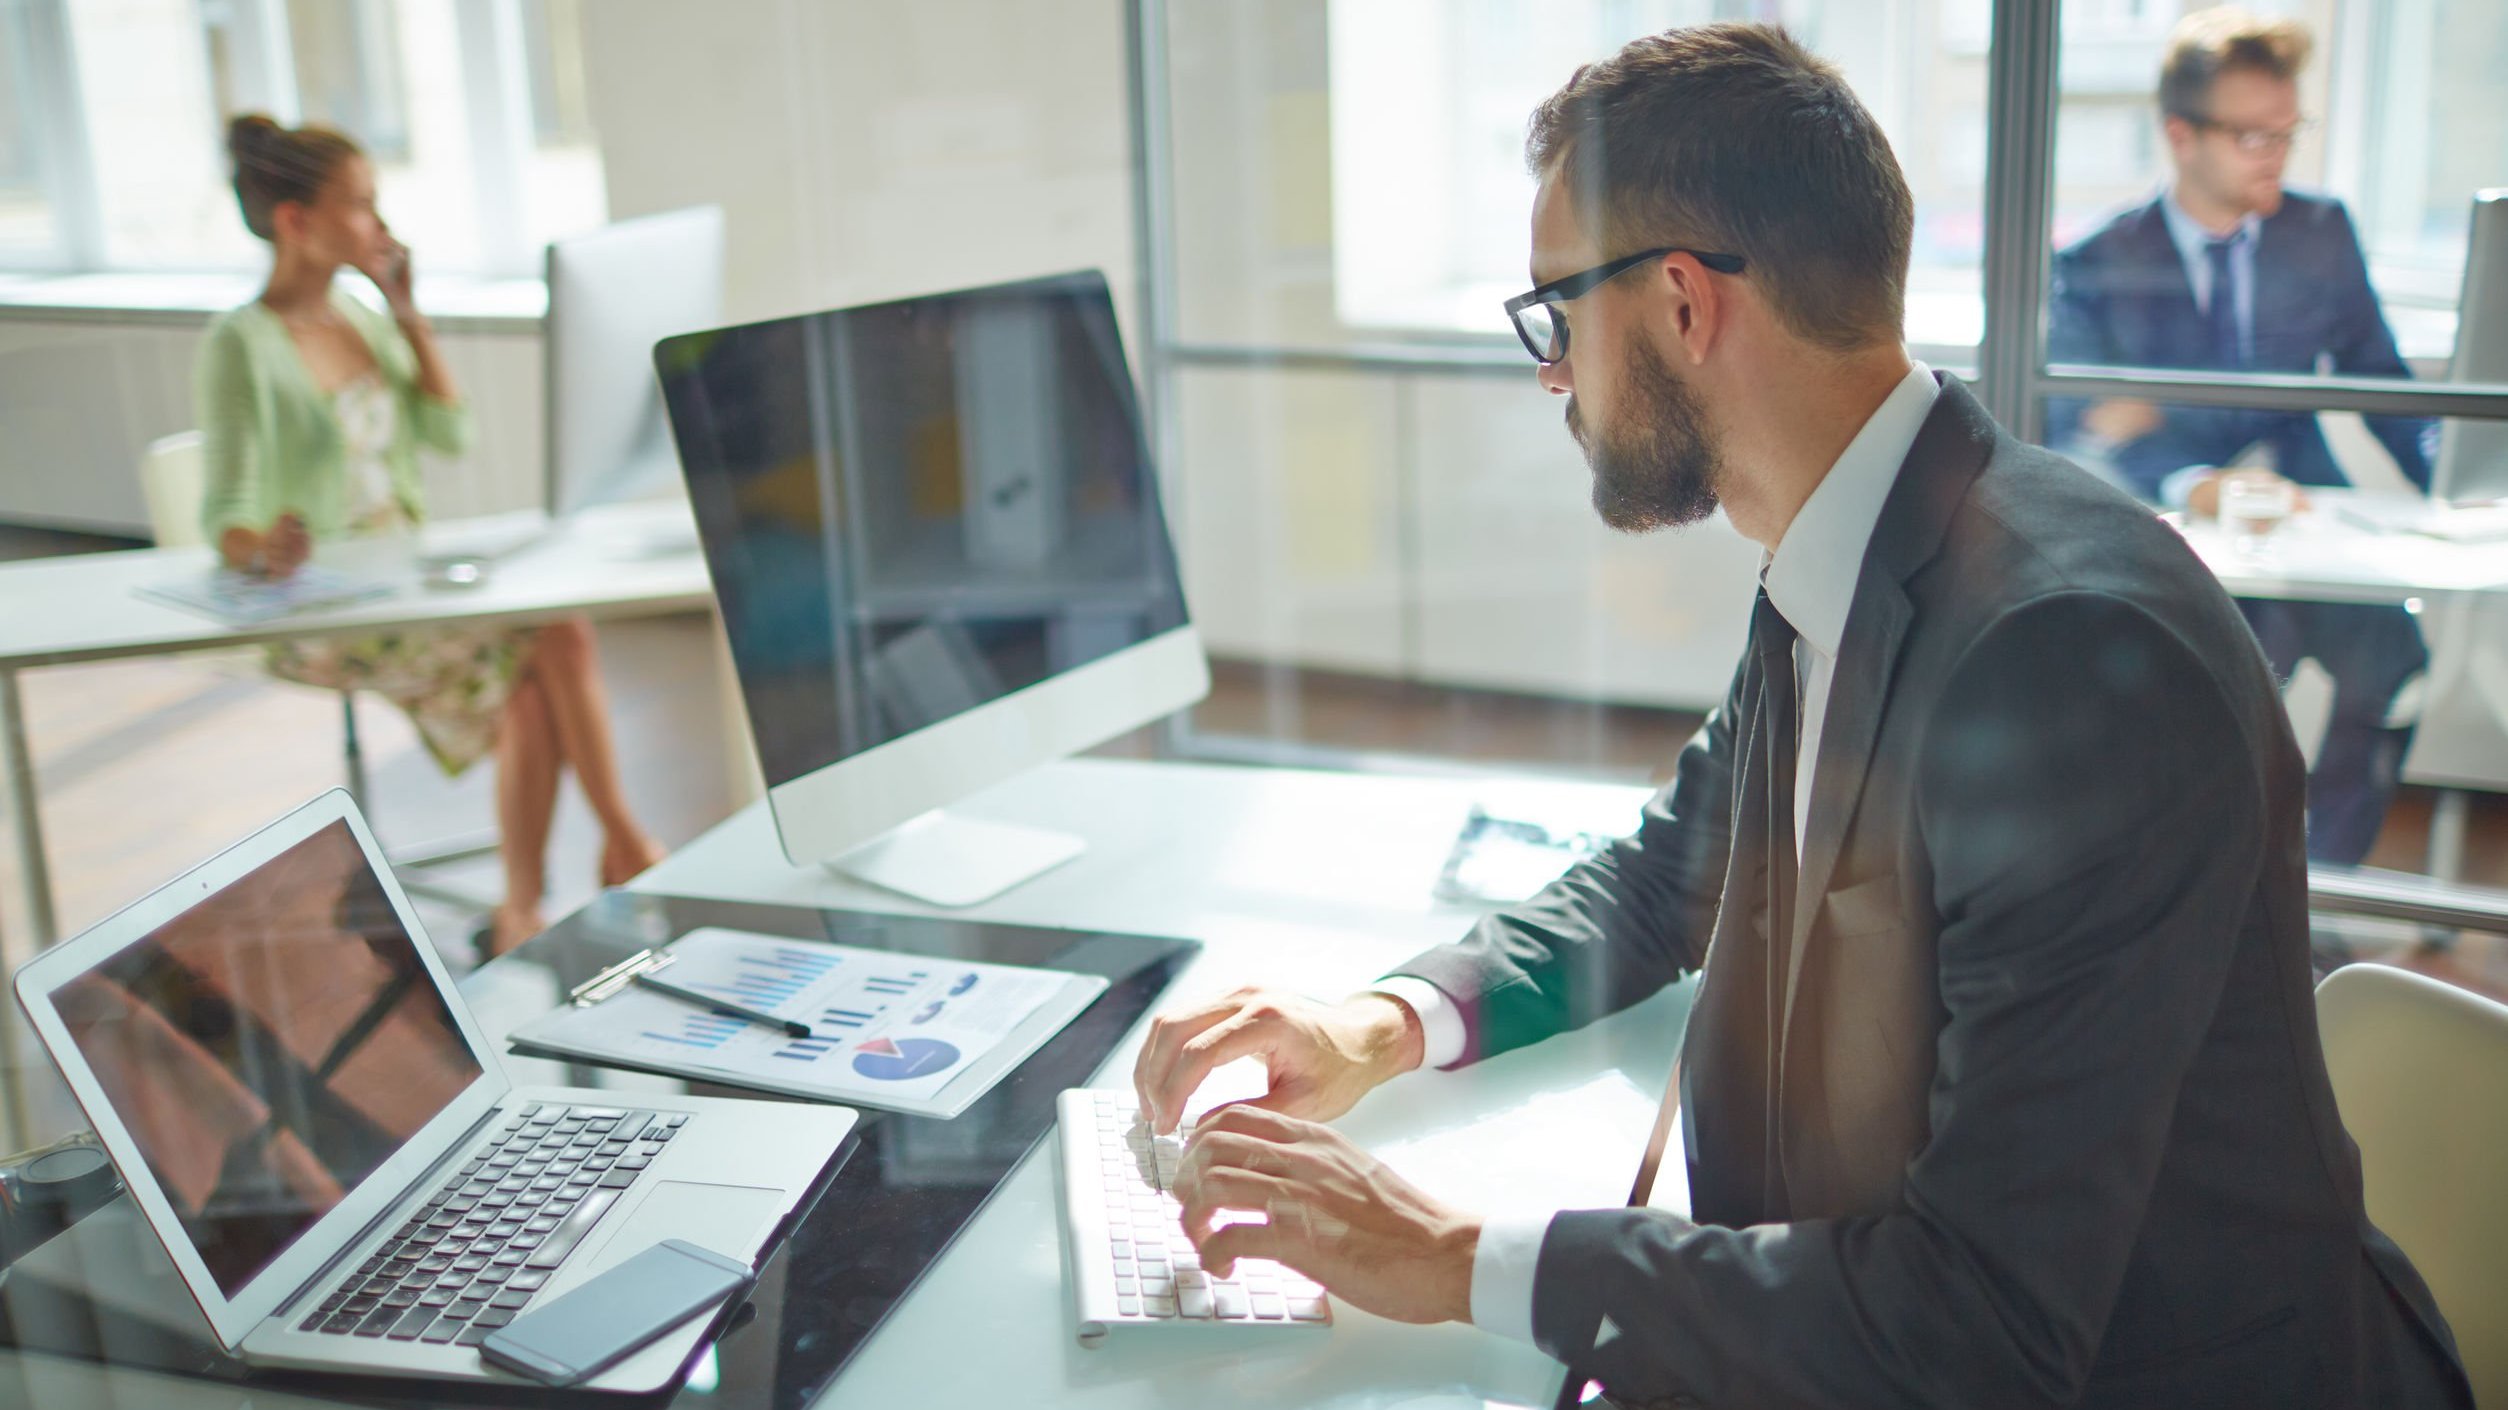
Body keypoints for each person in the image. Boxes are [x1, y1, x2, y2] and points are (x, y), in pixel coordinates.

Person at [1134, 24, 2473, 1410]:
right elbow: (1675, 871)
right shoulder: (1863, 539)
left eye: (1555, 318)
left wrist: (1456, 1254)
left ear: (1681, 306)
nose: (1551, 376)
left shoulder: (2065, 654)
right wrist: (1385, 1022)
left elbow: (1981, 1330)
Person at [199, 115, 665, 955]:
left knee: (542, 662)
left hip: (402, 577)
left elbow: (450, 436)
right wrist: (265, 547)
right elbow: (221, 514)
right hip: (318, 607)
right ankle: (621, 847)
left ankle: (525, 909)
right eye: (361, 206)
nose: (381, 226)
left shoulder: (362, 318)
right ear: (295, 221)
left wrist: (407, 314)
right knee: (554, 639)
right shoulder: (243, 343)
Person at [2047, 8, 2432, 866]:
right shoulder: (2100, 260)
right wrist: (2191, 478)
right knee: (2222, 704)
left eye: (2287, 133)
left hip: (2301, 507)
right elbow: (2073, 422)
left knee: (2394, 667)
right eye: (2252, 135)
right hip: (2177, 523)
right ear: (2181, 136)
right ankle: (2216, 895)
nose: (2276, 154)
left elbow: (2383, 381)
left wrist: (2457, 472)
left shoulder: (2320, 231)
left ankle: (2320, 887)